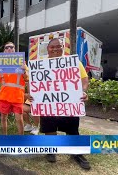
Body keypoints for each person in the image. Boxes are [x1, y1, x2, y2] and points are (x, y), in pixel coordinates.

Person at [40, 38, 90, 170]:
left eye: (58, 46)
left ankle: (77, 153)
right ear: (48, 49)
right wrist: (34, 96)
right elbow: (35, 85)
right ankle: (51, 150)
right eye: (52, 47)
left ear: (63, 48)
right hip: (48, 104)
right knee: (49, 128)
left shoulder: (74, 62)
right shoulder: (41, 64)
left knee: (72, 129)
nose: (55, 49)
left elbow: (84, 80)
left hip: (69, 103)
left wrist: (82, 92)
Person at [0, 42, 28, 135]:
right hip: (4, 96)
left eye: (12, 47)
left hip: (17, 96)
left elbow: (27, 78)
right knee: (3, 118)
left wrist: (24, 71)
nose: (9, 49)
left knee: (19, 119)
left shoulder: (21, 62)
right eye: (7, 47)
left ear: (15, 50)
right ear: (4, 51)